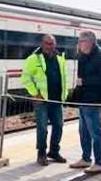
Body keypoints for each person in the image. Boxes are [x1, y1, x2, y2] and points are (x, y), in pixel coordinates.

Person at [21, 34, 69, 166]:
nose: (50, 46)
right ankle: (41, 154)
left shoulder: (60, 59)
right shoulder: (33, 59)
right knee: (42, 128)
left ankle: (54, 151)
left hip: (57, 99)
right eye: (47, 43)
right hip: (42, 101)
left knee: (58, 126)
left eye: (52, 43)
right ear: (42, 44)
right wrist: (35, 94)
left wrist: (64, 94)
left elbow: (63, 78)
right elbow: (25, 78)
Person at [70, 30, 101, 174]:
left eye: (81, 41)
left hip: (94, 99)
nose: (79, 44)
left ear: (90, 42)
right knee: (83, 131)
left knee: (94, 131)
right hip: (84, 98)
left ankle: (100, 162)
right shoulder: (83, 55)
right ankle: (86, 158)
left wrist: (84, 81)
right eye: (79, 41)